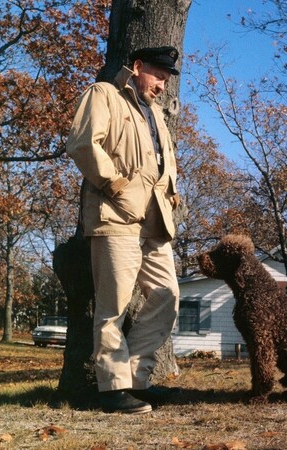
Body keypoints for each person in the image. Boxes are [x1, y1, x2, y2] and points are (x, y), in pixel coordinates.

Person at [66, 46, 181, 414]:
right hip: (114, 216)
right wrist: (115, 184)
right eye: (158, 75)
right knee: (112, 306)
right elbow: (83, 143)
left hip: (156, 220)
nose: (163, 85)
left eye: (167, 78)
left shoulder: (157, 114)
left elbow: (162, 160)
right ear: (137, 67)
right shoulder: (104, 94)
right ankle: (112, 389)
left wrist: (172, 191)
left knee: (167, 296)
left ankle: (136, 380)